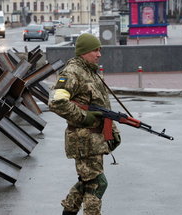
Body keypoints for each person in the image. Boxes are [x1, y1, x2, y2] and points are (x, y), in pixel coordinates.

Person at [48, 33, 121, 215]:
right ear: (84, 52)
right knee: (97, 183)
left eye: (99, 50)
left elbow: (100, 107)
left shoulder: (89, 70)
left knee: (87, 181)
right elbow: (57, 102)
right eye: (95, 50)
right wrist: (84, 117)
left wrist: (112, 131)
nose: (99, 54)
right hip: (84, 140)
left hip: (93, 140)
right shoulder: (72, 72)